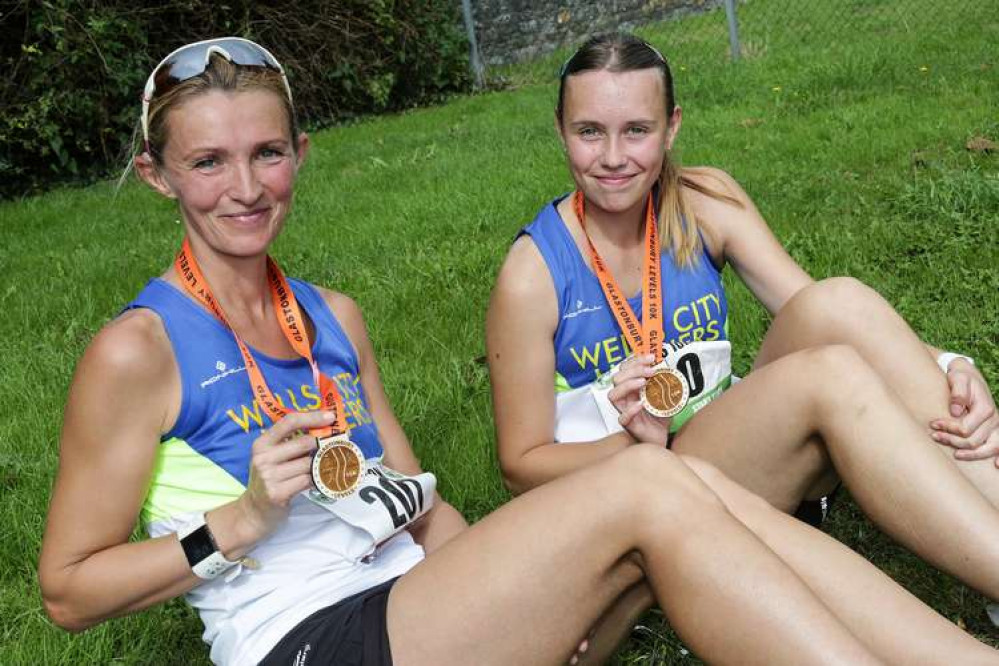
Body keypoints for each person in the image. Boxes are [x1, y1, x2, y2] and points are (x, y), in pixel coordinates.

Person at [38, 37, 999, 666]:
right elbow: (68, 593)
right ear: (157, 177)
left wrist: (540, 588)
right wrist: (236, 524)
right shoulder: (138, 349)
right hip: (307, 638)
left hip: (425, 612)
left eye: (267, 153)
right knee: (651, 485)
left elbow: (418, 507)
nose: (244, 187)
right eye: (207, 162)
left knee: (675, 486)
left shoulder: (330, 316)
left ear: (299, 155)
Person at [487, 30, 999, 659]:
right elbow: (520, 463)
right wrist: (632, 447)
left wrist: (947, 364)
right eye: (590, 131)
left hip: (734, 449)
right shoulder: (533, 272)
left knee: (834, 302)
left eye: (637, 130)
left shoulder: (701, 201)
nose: (614, 156)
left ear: (672, 126)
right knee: (830, 376)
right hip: (641, 488)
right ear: (561, 130)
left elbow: (823, 311)